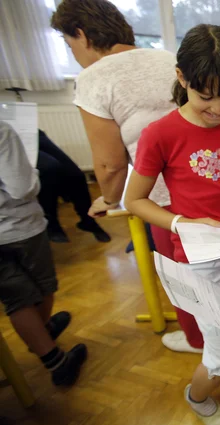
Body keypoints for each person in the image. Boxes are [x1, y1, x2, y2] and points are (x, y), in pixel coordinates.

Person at [124, 24, 220, 425]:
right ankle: (199, 394)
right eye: (207, 96)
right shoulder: (160, 134)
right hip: (200, 257)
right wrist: (181, 221)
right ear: (181, 77)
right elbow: (134, 201)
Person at [51, 0, 204, 354]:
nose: (73, 53)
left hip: (166, 195)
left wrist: (107, 199)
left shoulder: (93, 78)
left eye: (69, 44)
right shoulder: (168, 58)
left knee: (178, 274)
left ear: (81, 34)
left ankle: (199, 340)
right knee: (208, 267)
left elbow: (110, 165)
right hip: (211, 180)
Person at [0, 121, 88, 386]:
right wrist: (33, 173)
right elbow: (22, 188)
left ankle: (44, 337)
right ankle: (55, 358)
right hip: (18, 227)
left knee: (16, 298)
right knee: (41, 287)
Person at [36, 129, 110, 243]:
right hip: (6, 134)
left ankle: (88, 221)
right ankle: (52, 225)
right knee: (49, 169)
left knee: (75, 174)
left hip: (30, 132)